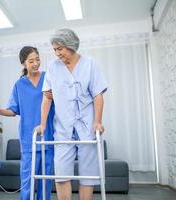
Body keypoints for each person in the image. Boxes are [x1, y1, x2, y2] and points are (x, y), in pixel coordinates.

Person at [37, 28, 108, 200]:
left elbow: (98, 94)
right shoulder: (53, 67)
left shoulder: (90, 64)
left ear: (70, 46)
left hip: (87, 125)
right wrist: (43, 124)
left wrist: (97, 121)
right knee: (61, 171)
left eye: (59, 48)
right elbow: (47, 98)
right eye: (54, 49)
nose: (56, 53)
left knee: (88, 172)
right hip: (62, 126)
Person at [0, 46, 54, 200]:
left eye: (37, 59)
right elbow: (13, 110)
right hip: (28, 139)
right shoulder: (20, 84)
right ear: (23, 64)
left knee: (45, 182)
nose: (36, 63)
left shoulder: (48, 78)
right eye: (31, 61)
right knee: (27, 182)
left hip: (48, 136)